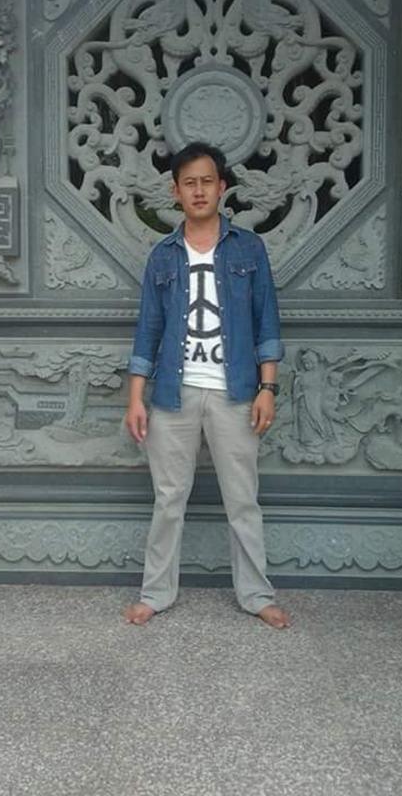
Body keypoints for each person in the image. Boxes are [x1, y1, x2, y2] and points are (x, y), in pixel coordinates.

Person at [124, 142, 290, 629]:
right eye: (189, 183)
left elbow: (266, 322)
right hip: (172, 395)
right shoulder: (162, 256)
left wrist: (268, 389)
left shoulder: (248, 249)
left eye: (207, 181)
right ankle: (155, 593)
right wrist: (136, 398)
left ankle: (256, 594)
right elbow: (148, 329)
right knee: (168, 499)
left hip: (234, 392)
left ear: (223, 188)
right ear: (176, 192)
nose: (198, 191)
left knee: (242, 500)